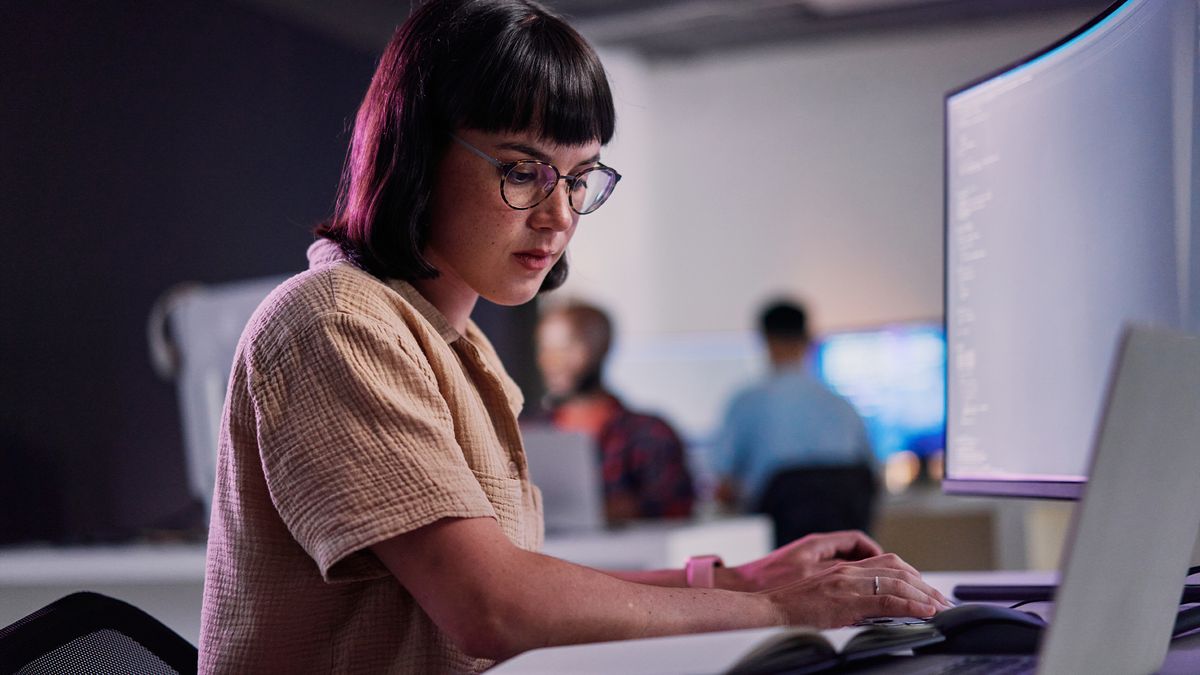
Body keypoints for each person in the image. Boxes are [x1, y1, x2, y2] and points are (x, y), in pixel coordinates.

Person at [198, 2, 950, 672]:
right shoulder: (336, 319)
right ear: (417, 153)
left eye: (579, 176)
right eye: (524, 171)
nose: (559, 216)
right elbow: (493, 607)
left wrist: (741, 579)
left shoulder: (458, 346)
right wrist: (786, 611)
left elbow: (515, 577)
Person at [713, 300, 879, 547]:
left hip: (778, 555)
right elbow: (871, 477)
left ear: (765, 339)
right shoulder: (842, 404)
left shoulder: (746, 403)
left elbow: (724, 488)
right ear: (808, 338)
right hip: (845, 552)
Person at [535, 301, 695, 523]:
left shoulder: (650, 434)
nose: (552, 362)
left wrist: (619, 512)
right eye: (546, 350)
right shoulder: (527, 433)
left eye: (566, 350)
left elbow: (677, 509)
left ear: (601, 348)